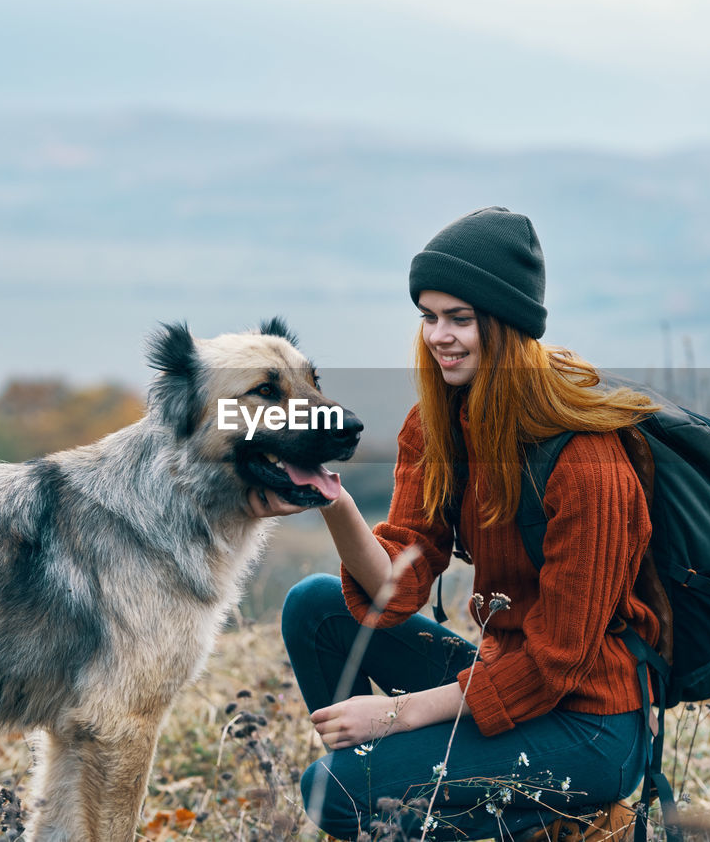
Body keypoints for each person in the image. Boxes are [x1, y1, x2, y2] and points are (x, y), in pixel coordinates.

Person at [248, 207, 663, 841]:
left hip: (590, 726)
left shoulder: (586, 461)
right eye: (429, 316)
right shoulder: (441, 423)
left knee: (330, 794)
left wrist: (394, 715)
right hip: (508, 678)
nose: (439, 335)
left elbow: (557, 665)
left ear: (508, 326)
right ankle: (391, 802)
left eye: (460, 319)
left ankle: (554, 823)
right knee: (316, 606)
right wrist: (328, 495)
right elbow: (395, 582)